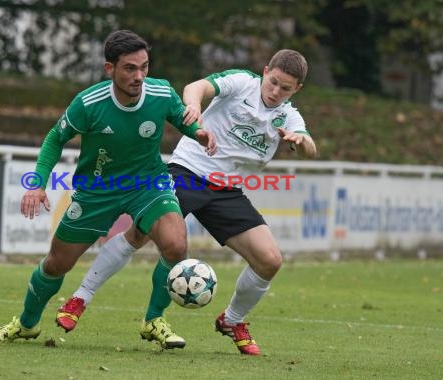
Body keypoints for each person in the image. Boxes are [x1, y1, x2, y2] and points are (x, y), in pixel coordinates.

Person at [58, 49, 317, 355]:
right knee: (138, 235)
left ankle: (233, 320)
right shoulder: (241, 82)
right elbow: (196, 87)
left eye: (285, 88)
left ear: (296, 89)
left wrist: (301, 142)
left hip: (227, 190)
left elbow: (309, 147)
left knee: (269, 260)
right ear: (265, 71)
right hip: (188, 171)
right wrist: (193, 108)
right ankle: (81, 298)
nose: (275, 92)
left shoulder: (288, 115)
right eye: (273, 82)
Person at [0, 30, 216, 345]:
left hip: (148, 183)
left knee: (175, 245)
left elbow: (183, 120)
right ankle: (26, 324)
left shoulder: (160, 93)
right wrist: (37, 184)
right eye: (130, 68)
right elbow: (55, 137)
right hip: (97, 189)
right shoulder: (89, 102)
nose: (139, 76)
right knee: (56, 264)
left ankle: (154, 320)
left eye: (144, 67)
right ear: (110, 69)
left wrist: (199, 132)